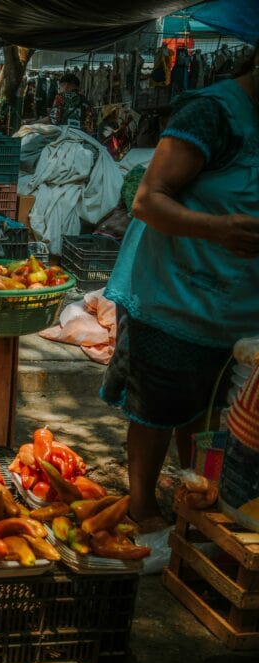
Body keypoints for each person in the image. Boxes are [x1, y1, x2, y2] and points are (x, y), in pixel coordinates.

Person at [100, 42, 259, 533]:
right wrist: (218, 228)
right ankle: (143, 508)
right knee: (158, 409)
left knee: (212, 416)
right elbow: (148, 200)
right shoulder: (212, 113)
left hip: (240, 307)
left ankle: (196, 509)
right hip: (173, 293)